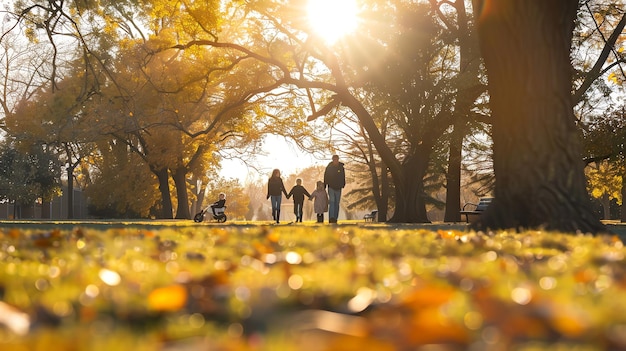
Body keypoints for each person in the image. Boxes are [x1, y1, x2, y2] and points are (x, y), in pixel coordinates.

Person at [323, 154, 345, 223]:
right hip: (331, 187)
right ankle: (331, 218)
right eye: (334, 160)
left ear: (338, 160)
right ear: (332, 160)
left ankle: (335, 218)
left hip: (338, 187)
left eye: (336, 160)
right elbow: (325, 176)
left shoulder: (341, 167)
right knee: (332, 202)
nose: (335, 161)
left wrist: (343, 184)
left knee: (337, 203)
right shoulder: (329, 167)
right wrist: (325, 185)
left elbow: (343, 176)